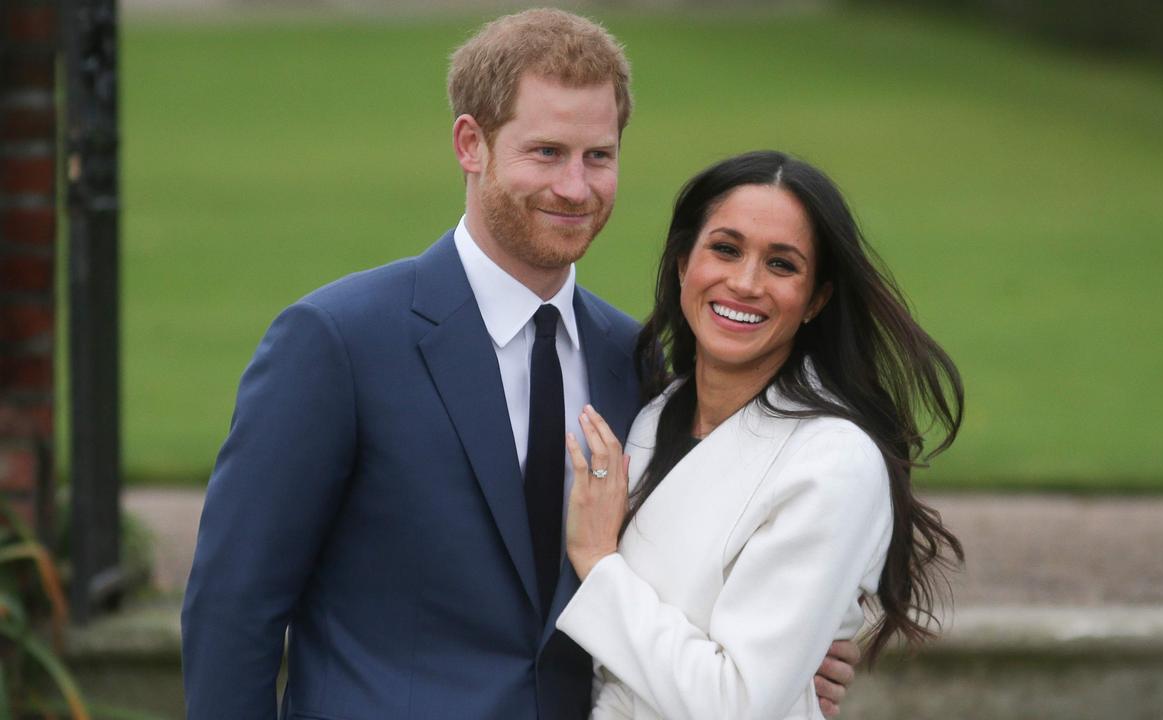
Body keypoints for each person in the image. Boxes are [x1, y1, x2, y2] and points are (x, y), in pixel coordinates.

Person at [181, 11, 856, 720]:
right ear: (471, 144)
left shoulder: (636, 363)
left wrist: (789, 651)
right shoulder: (336, 342)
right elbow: (235, 606)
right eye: (546, 152)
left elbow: (679, 569)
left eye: (598, 156)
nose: (575, 187)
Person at [553, 150, 966, 719]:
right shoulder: (651, 414)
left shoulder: (833, 461)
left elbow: (737, 706)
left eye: (782, 265)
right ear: (682, 265)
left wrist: (598, 564)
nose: (745, 283)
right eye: (725, 249)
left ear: (816, 299)